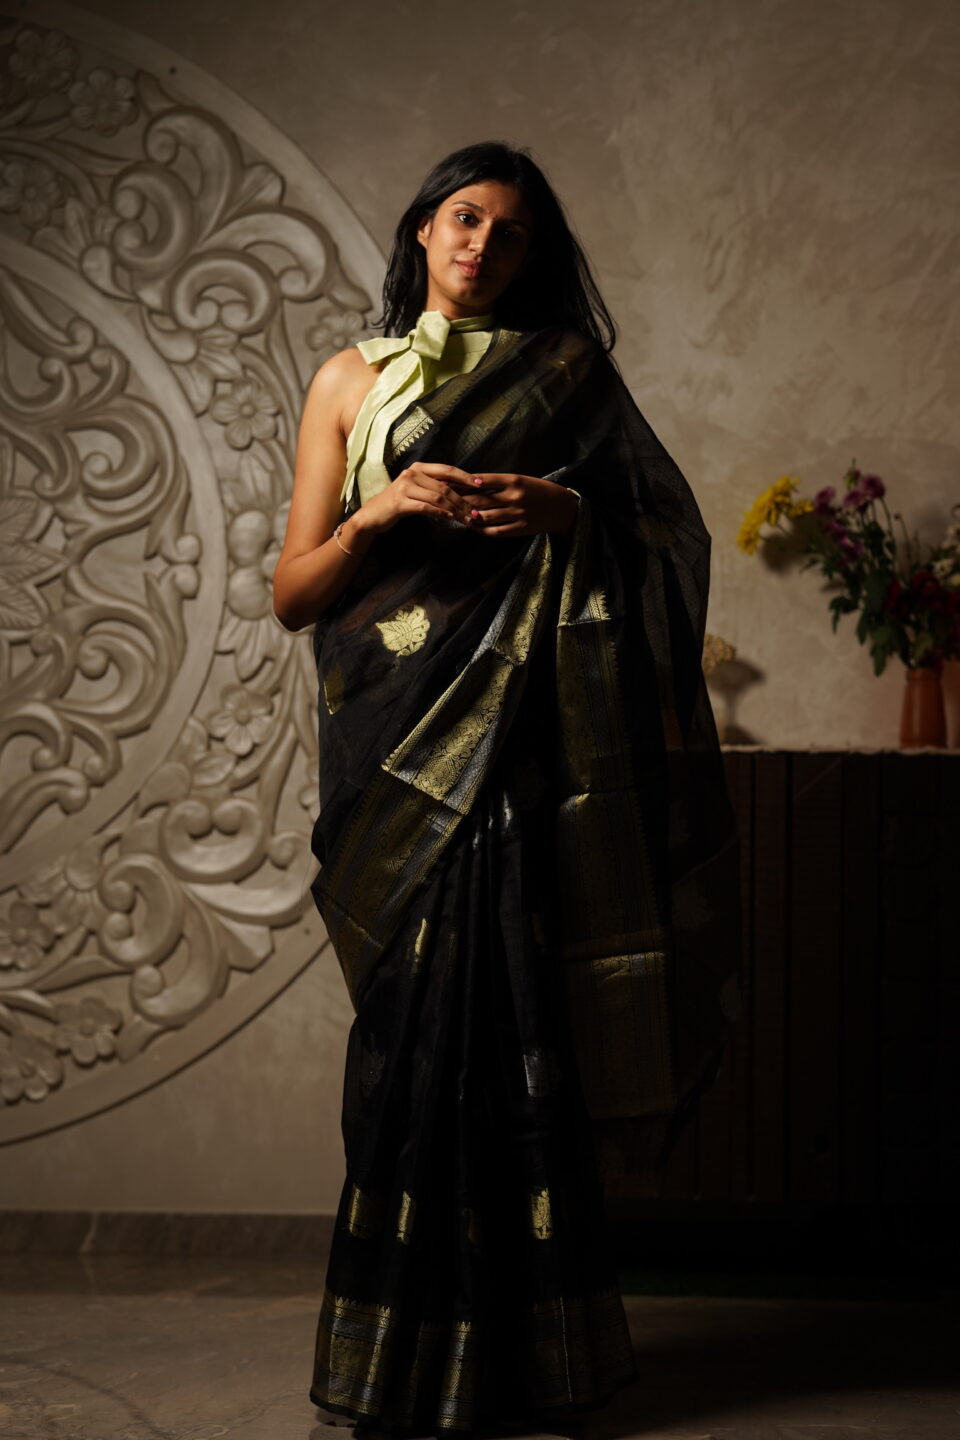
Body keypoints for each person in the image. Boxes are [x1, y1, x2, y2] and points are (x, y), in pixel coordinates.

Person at [273, 141, 742, 1438]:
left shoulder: (569, 375)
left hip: (521, 753)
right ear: (423, 230)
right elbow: (295, 593)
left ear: (533, 259)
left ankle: (534, 1365)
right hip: (390, 752)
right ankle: (392, 1366)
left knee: (520, 1035)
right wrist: (377, 516)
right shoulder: (347, 380)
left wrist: (563, 514)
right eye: (464, 217)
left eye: (510, 232)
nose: (482, 243)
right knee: (408, 1049)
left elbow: (667, 535)